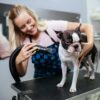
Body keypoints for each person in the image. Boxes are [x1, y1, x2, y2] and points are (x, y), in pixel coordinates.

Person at [8, 5, 94, 78]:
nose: (29, 27)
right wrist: (18, 61)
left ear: (32, 16)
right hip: (41, 83)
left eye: (29, 21)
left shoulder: (52, 27)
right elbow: (21, 74)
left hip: (65, 77)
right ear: (19, 30)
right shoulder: (25, 42)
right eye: (23, 27)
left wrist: (90, 44)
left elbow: (87, 27)